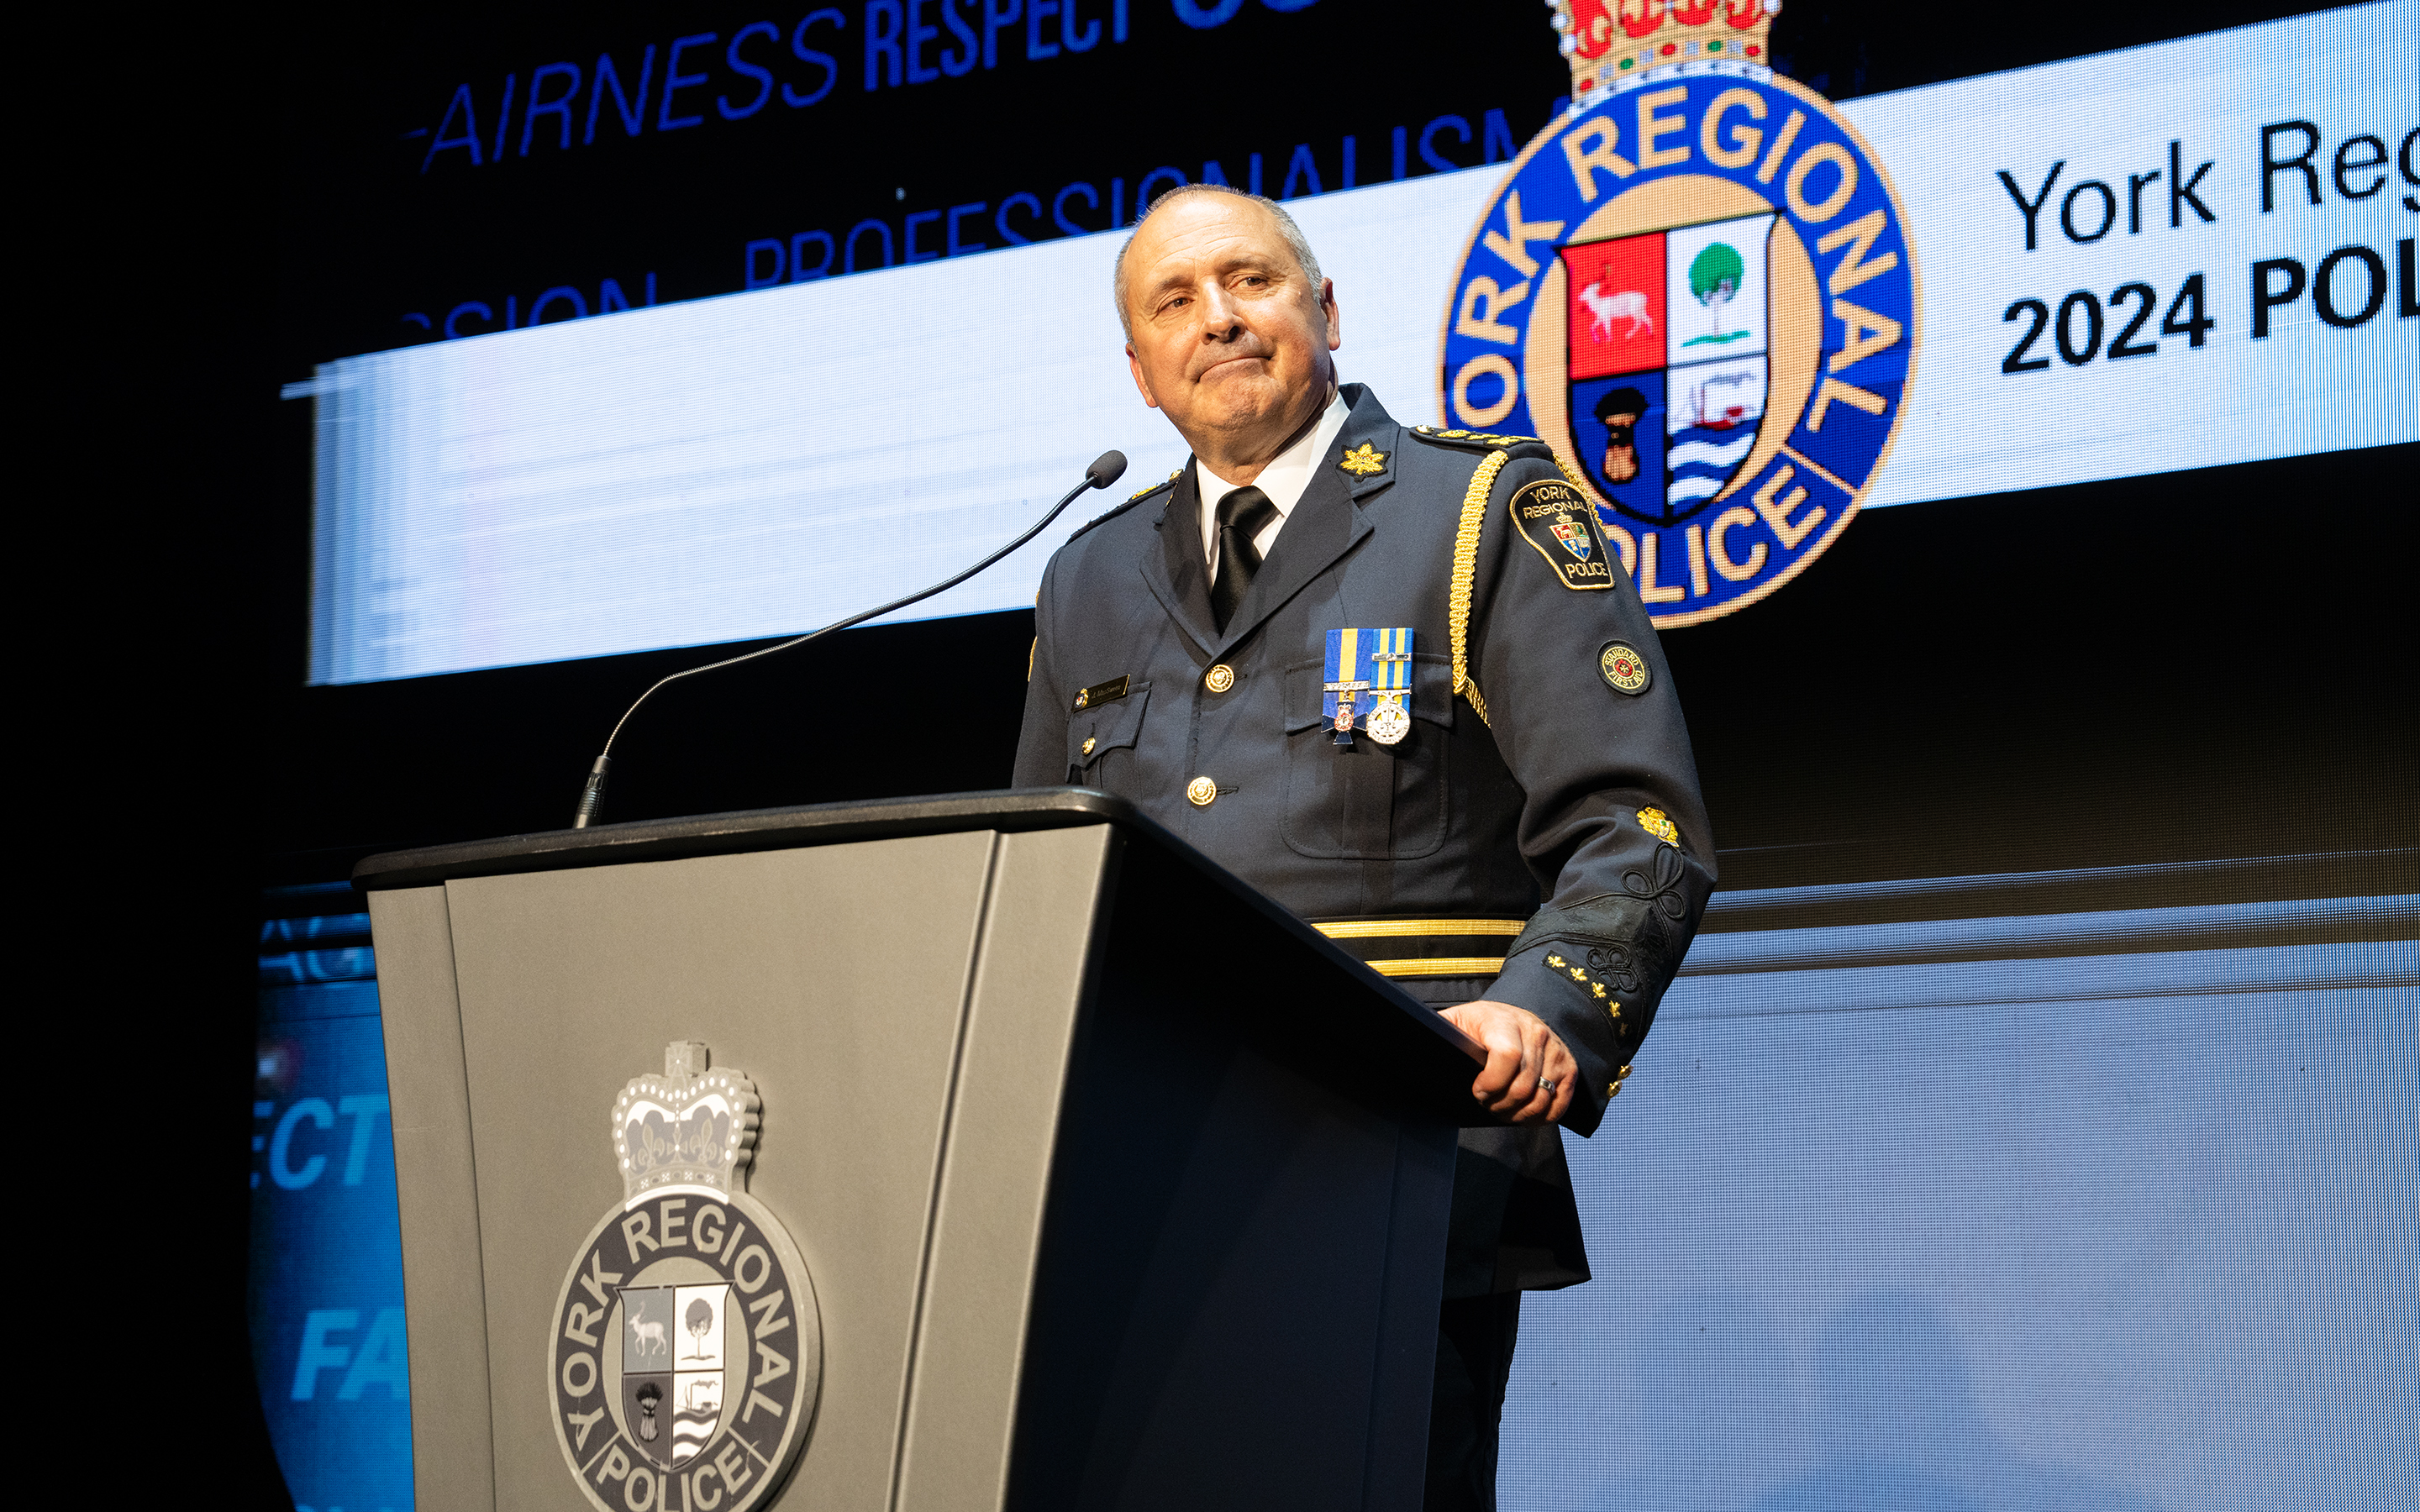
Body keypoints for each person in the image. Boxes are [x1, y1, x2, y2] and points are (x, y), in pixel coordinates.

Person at [1012, 183, 1714, 1511]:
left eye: (1251, 281)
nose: (1218, 318)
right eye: (1176, 302)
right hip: (1139, 1196)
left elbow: (1641, 826)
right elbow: (1043, 892)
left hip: (1398, 1167)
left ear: (1325, 310)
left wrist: (1547, 1010)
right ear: (1139, 372)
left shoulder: (1481, 515)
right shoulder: (1086, 580)